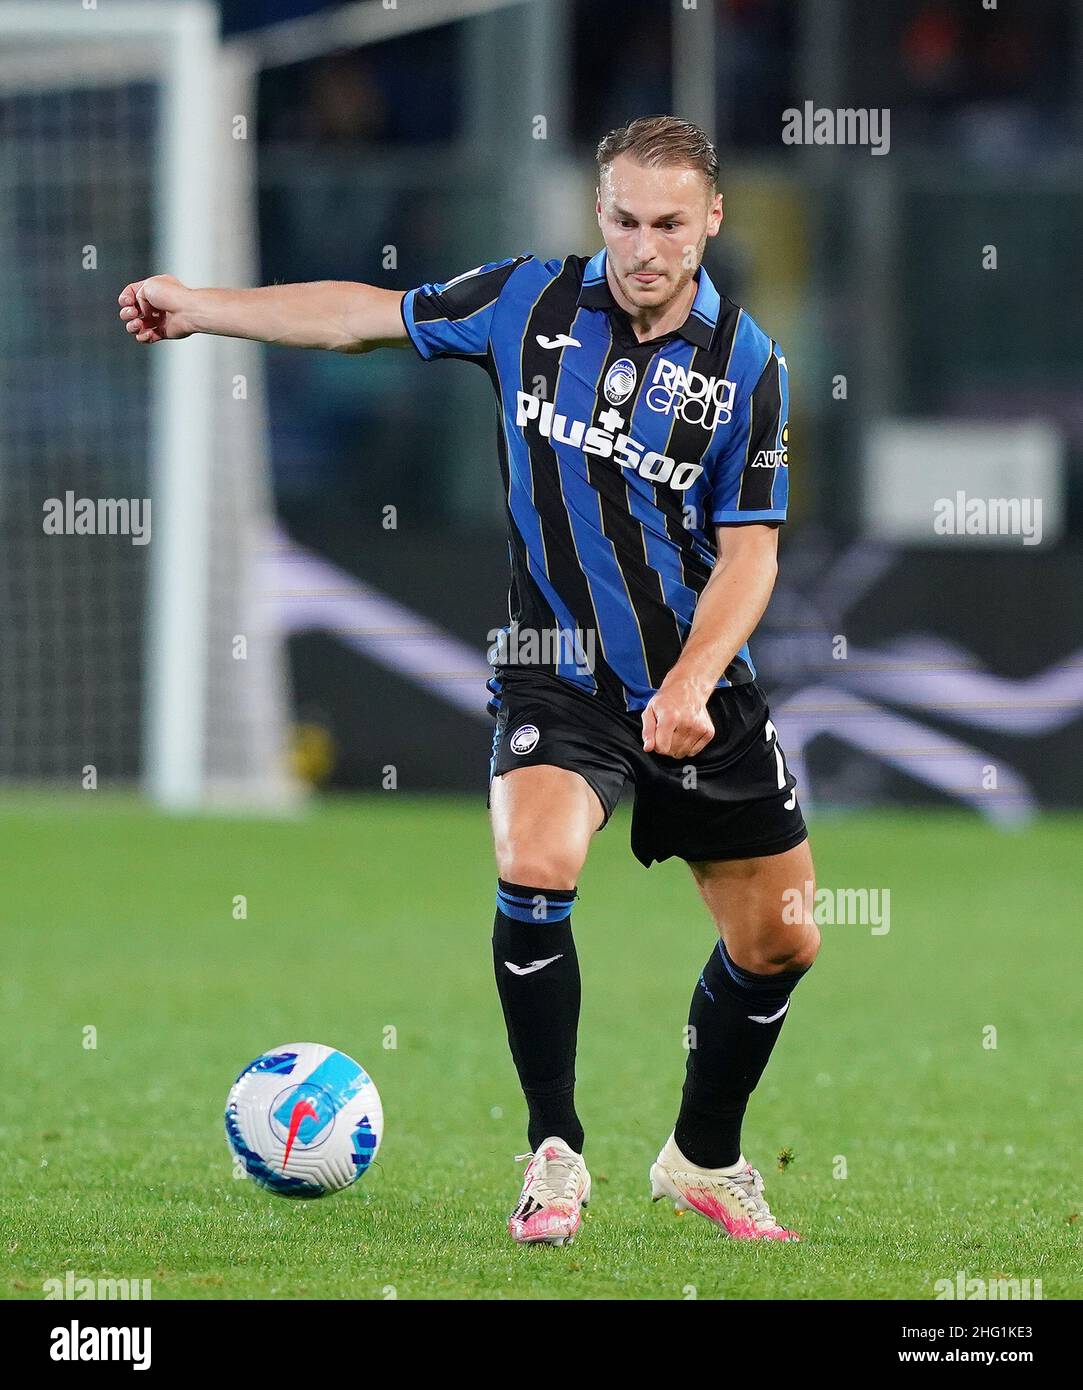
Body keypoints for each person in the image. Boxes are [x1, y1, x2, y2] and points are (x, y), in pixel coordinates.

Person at [118, 114, 819, 1247]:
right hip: (557, 670)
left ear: (713, 221)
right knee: (535, 858)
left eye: (671, 225)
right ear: (599, 214)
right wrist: (205, 306)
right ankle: (554, 1152)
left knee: (782, 939)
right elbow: (363, 320)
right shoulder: (528, 305)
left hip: (697, 683)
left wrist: (689, 682)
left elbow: (753, 553)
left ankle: (703, 1156)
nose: (645, 247)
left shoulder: (748, 368)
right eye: (626, 221)